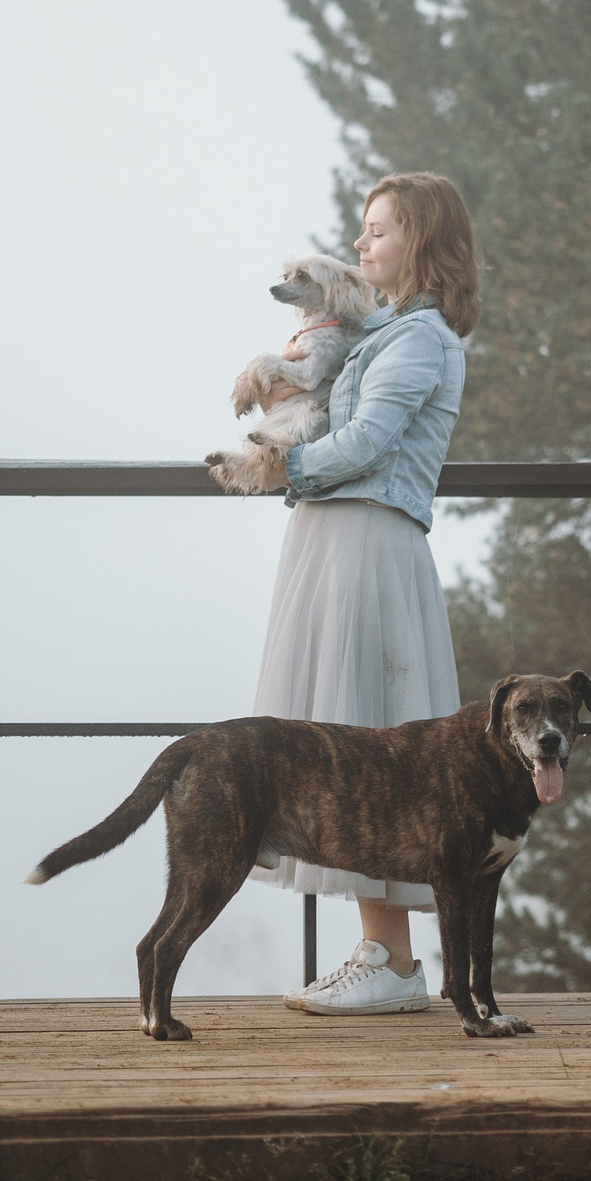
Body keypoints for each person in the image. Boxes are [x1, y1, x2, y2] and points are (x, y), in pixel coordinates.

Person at [246, 171, 480, 1015]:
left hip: (368, 541)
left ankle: (394, 961)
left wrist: (286, 466)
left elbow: (373, 440)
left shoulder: (422, 339)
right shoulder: (379, 333)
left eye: (378, 229)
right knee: (344, 739)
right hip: (337, 537)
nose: (359, 243)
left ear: (418, 240)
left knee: (368, 739)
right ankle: (384, 954)